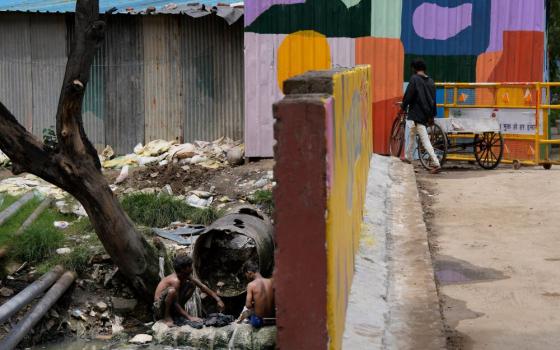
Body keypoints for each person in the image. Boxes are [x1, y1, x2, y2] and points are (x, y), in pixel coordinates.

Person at [153, 255, 225, 326]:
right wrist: (189, 317)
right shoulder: (175, 281)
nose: (192, 268)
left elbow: (202, 286)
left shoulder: (185, 275)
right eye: (190, 266)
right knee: (172, 291)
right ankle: (167, 317)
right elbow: (175, 303)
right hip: (160, 308)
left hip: (172, 302)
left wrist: (218, 299)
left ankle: (178, 313)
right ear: (182, 269)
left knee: (192, 285)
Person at [402, 59, 441, 174]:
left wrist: (403, 106)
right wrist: (432, 116)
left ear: (414, 68)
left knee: (424, 139)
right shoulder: (431, 81)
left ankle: (436, 163)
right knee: (412, 134)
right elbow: (434, 101)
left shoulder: (414, 79)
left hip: (417, 113)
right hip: (426, 114)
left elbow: (409, 94)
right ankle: (408, 156)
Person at [238, 261, 275, 328]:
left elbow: (248, 305)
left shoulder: (251, 285)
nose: (247, 278)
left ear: (249, 273)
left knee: (245, 312)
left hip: (259, 321)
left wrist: (255, 304)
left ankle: (240, 321)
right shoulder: (271, 281)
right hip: (272, 319)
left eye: (246, 275)